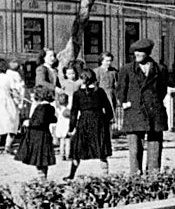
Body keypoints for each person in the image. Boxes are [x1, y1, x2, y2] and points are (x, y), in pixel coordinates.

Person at [115, 38, 169, 174]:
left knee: (155, 145)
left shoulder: (160, 69)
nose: (137, 54)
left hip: (154, 112)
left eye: (141, 52)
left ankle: (153, 174)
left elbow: (162, 90)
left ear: (148, 53)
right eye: (136, 52)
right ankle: (135, 175)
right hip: (135, 111)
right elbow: (120, 89)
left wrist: (154, 103)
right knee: (134, 147)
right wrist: (124, 103)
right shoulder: (126, 69)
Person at [66, 69, 114, 179]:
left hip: (84, 123)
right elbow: (109, 111)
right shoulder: (100, 91)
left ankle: (71, 175)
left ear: (82, 79)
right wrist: (103, 121)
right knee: (102, 151)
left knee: (77, 151)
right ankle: (105, 176)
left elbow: (74, 113)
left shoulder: (77, 94)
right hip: (99, 122)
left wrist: (71, 128)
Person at [14, 85, 57, 179]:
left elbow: (40, 121)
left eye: (33, 94)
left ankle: (42, 178)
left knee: (39, 159)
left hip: (38, 136)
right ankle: (43, 177)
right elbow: (53, 119)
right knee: (41, 159)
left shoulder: (42, 107)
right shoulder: (48, 107)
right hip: (43, 134)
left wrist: (28, 122)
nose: (31, 96)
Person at [0, 58, 25, 155]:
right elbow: (14, 90)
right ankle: (7, 148)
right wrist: (18, 97)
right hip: (7, 101)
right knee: (12, 125)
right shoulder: (8, 77)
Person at [55, 64, 81, 159]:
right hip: (65, 104)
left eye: (73, 73)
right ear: (66, 74)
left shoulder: (78, 83)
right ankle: (63, 153)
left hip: (75, 102)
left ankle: (69, 152)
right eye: (69, 73)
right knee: (65, 134)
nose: (71, 75)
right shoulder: (63, 83)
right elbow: (59, 95)